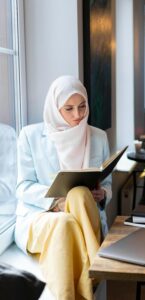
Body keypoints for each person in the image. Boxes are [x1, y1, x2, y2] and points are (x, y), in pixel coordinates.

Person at [14, 75, 112, 300]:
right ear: (55, 108)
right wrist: (56, 201)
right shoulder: (30, 136)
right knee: (67, 216)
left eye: (82, 106)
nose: (78, 115)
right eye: (69, 109)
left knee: (78, 195)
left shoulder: (98, 137)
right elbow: (22, 187)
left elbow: (107, 183)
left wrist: (103, 193)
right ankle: (95, 266)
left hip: (85, 211)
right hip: (40, 216)